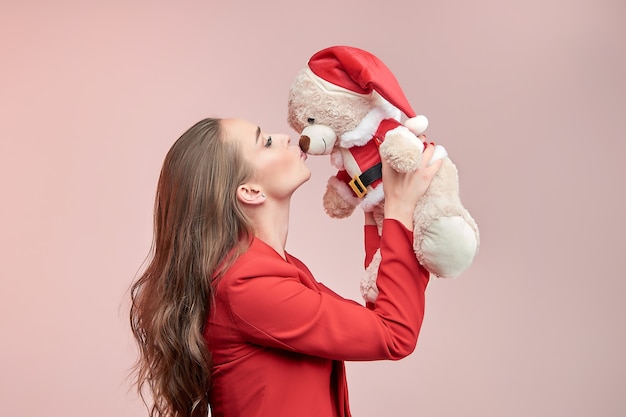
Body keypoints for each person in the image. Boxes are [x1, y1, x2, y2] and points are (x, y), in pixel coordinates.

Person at [130, 117, 442, 417]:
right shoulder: (249, 283)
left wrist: (379, 209)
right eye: (265, 142)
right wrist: (401, 209)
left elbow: (378, 316)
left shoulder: (273, 267)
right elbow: (393, 332)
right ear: (250, 191)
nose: (284, 137)